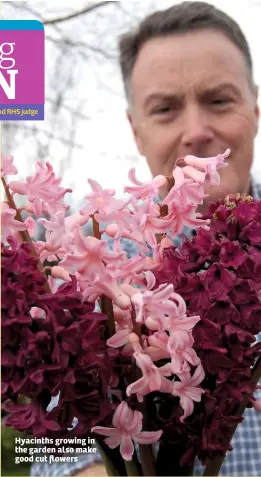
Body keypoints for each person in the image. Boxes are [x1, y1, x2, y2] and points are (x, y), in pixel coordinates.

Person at [31, 2, 261, 476]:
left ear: (255, 110)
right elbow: (47, 452)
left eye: (219, 99)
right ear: (136, 131)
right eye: (165, 108)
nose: (196, 132)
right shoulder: (94, 272)